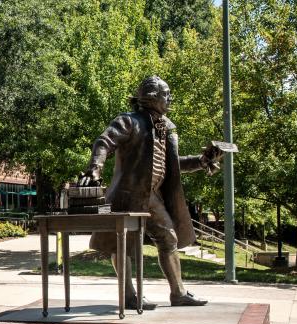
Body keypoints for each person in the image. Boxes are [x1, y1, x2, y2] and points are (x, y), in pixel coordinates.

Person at [79, 75, 224, 309]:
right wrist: (94, 169)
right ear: (151, 96)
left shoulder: (165, 128)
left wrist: (203, 160)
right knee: (121, 244)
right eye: (166, 93)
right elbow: (104, 142)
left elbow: (174, 164)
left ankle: (179, 293)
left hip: (153, 196)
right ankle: (129, 296)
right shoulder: (129, 121)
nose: (170, 98)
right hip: (126, 195)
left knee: (169, 239)